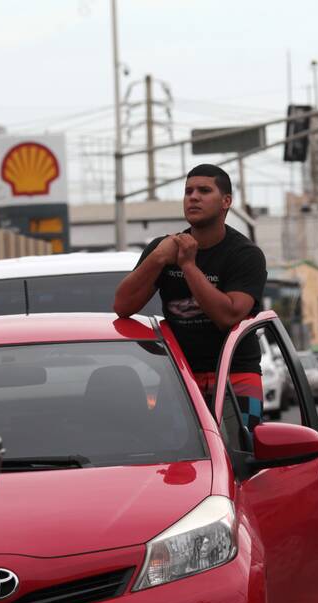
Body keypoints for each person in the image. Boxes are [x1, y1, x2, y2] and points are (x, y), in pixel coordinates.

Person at [114, 164, 267, 429]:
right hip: (181, 375)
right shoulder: (164, 249)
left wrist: (188, 266)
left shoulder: (245, 255)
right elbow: (123, 306)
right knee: (176, 460)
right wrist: (158, 258)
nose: (193, 197)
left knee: (240, 458)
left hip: (236, 374)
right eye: (188, 191)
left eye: (204, 190)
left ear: (226, 201)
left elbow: (227, 315)